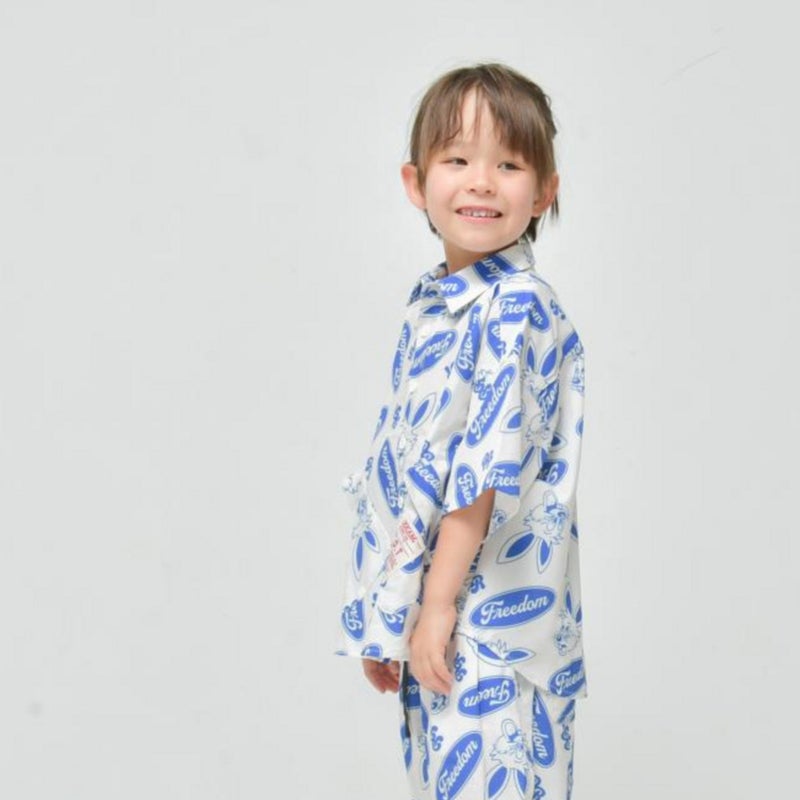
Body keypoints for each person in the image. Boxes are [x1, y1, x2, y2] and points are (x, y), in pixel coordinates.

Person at [334, 62, 588, 800]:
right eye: (457, 160)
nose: (481, 182)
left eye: (508, 164)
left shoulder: (514, 307)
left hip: (489, 635)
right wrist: (394, 613)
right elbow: (418, 467)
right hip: (447, 623)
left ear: (544, 191)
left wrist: (436, 610)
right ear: (416, 183)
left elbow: (479, 480)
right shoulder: (438, 306)